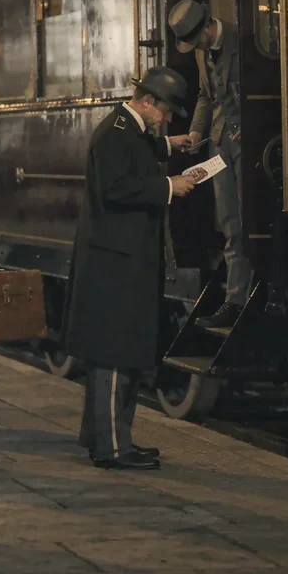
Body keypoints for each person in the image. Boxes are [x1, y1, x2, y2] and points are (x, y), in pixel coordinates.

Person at [62, 67, 197, 470]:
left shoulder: (127, 130)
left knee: (119, 354)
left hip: (121, 259)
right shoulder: (116, 132)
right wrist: (170, 187)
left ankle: (104, 438)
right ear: (147, 102)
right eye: (167, 112)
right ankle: (112, 449)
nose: (167, 119)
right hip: (115, 263)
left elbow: (138, 154)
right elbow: (117, 187)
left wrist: (170, 146)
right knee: (115, 355)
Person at [165, 0, 251, 331]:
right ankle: (234, 298)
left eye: (194, 39)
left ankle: (241, 297)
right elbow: (206, 95)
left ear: (207, 28)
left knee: (246, 220)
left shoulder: (242, 40)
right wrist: (197, 131)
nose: (193, 47)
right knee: (229, 222)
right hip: (218, 145)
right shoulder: (202, 52)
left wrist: (251, 123)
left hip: (245, 141)